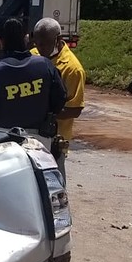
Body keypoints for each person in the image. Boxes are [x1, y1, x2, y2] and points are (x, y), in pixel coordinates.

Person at [0, 18, 66, 137]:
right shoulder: (45, 65)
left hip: (2, 138)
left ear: (0, 41)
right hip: (40, 138)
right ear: (26, 38)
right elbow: (60, 100)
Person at [31, 17, 85, 180]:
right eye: (37, 43)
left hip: (55, 141)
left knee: (54, 184)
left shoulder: (73, 69)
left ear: (58, 39)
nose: (39, 49)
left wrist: (44, 113)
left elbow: (75, 110)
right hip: (32, 137)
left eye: (44, 44)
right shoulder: (33, 56)